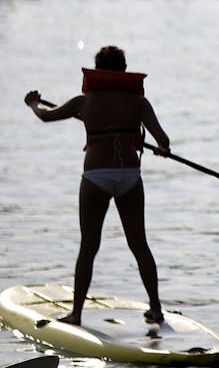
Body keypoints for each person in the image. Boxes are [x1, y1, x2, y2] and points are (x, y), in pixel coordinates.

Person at [24, 46, 171, 327]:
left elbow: (45, 115)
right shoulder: (139, 103)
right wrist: (161, 149)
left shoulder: (84, 102)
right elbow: (163, 141)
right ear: (124, 71)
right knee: (139, 244)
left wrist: (33, 103)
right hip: (129, 176)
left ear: (97, 71)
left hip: (96, 177)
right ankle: (156, 308)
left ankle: (77, 313)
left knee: (89, 246)